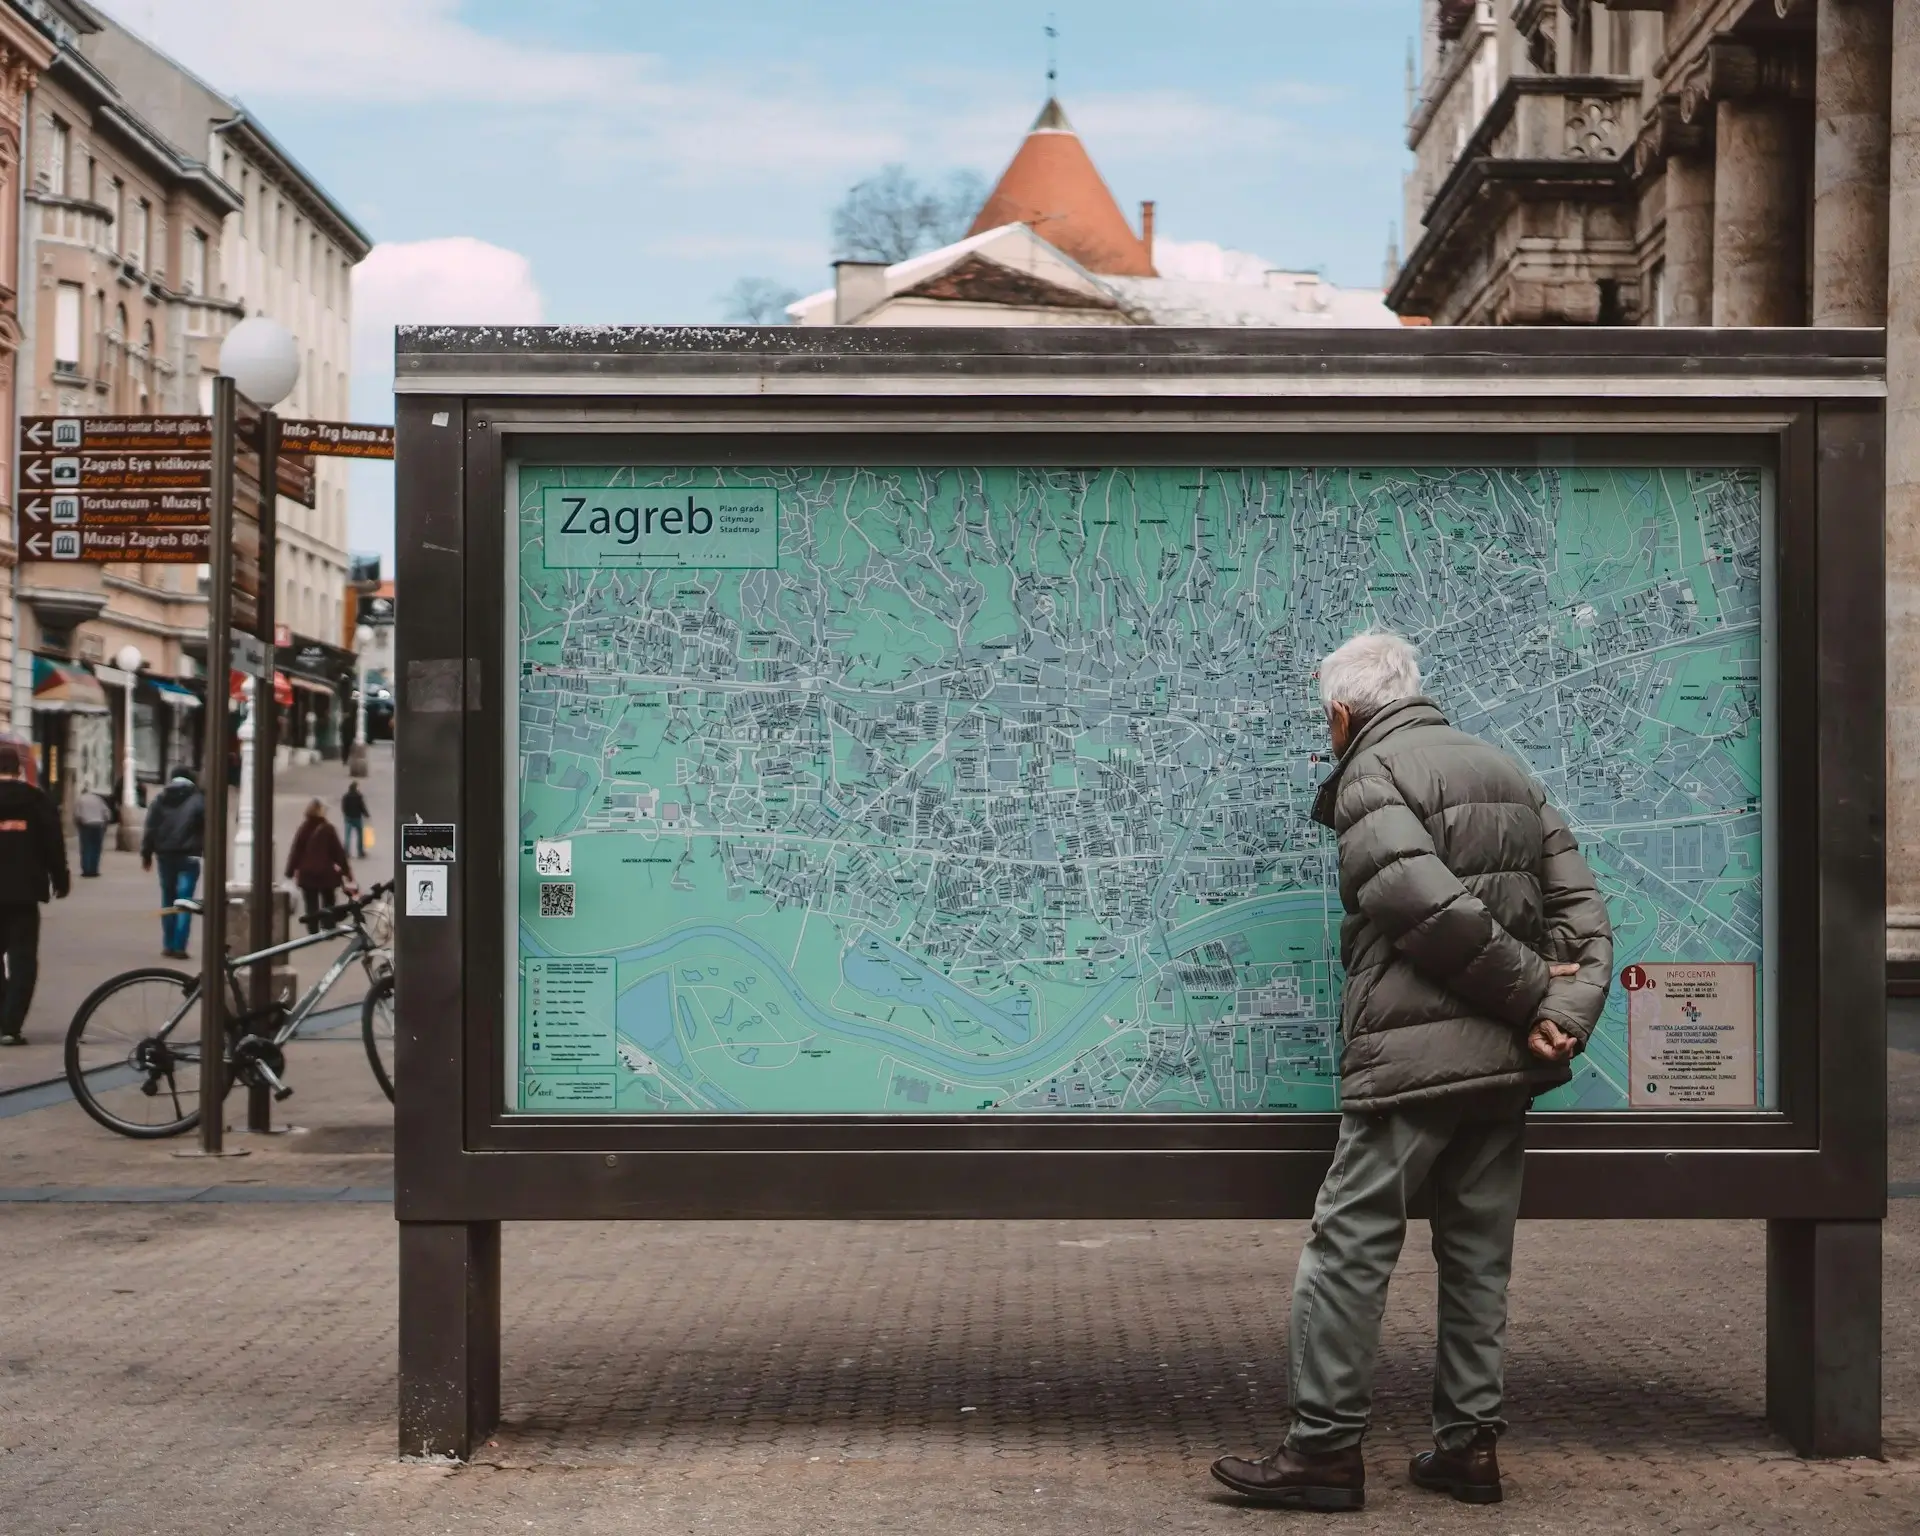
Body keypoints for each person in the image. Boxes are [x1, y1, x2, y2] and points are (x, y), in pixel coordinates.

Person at [1211, 632, 1613, 1512]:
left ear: (1341, 714)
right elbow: (1585, 914)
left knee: (1349, 1247)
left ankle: (1322, 1452)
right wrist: (1558, 1015)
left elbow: (1420, 907)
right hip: (1503, 1070)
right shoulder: (1506, 770)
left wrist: (1535, 999)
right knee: (1477, 1254)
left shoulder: (1371, 776)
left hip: (1412, 1063)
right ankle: (1467, 1448)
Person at [0, 745, 68, 1044]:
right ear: (17, 769)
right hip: (24, 892)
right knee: (23, 959)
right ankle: (11, 1024)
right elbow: (53, 842)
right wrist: (60, 877)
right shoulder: (37, 800)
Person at [141, 767, 205, 961]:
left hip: (165, 856)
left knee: (168, 898)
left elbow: (150, 827)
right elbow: (206, 827)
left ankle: (168, 944)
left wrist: (146, 853)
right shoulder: (198, 800)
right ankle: (179, 946)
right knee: (185, 901)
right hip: (189, 856)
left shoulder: (160, 800)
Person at [286, 798, 354, 932]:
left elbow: (296, 851)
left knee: (311, 903)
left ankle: (313, 929)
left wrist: (289, 871)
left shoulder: (303, 828)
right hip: (326, 873)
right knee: (328, 900)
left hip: (307, 873)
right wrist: (347, 872)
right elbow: (338, 853)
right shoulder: (328, 829)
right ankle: (328, 925)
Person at [73, 785, 114, 878]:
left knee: (86, 848)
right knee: (96, 849)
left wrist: (77, 824)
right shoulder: (98, 799)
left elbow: (77, 814)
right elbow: (107, 813)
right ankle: (94, 870)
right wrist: (105, 824)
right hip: (98, 825)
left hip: (86, 825)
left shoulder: (80, 800)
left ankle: (86, 871)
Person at [341, 779, 369, 859]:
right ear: (356, 788)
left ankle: (346, 852)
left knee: (347, 836)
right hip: (357, 818)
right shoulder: (359, 796)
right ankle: (360, 852)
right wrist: (366, 815)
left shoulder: (345, 796)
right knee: (360, 835)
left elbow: (343, 807)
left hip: (348, 818)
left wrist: (346, 814)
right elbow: (362, 807)